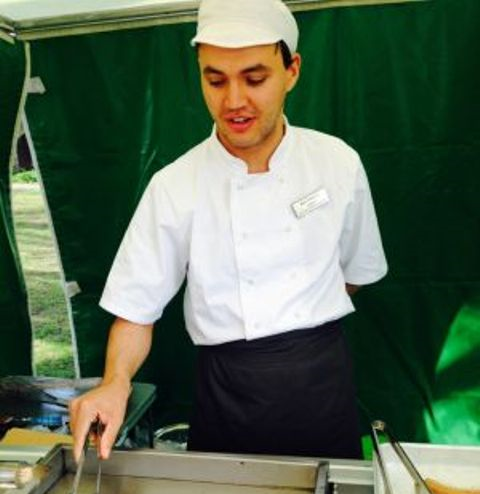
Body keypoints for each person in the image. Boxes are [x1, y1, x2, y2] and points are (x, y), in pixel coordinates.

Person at [69, 0, 388, 463]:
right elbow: (135, 309)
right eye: (215, 80)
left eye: (254, 79)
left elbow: (354, 272)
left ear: (292, 71)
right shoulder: (175, 185)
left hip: (321, 385)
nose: (234, 101)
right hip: (227, 393)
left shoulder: (338, 162)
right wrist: (115, 383)